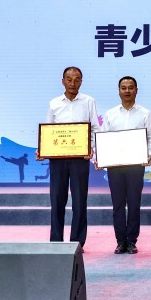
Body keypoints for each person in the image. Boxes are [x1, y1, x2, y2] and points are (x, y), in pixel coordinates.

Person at [43, 66, 100, 248]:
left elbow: (95, 129)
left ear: (81, 81)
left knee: (79, 201)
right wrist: (43, 149)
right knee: (57, 200)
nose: (73, 83)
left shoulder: (89, 101)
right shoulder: (54, 103)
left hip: (80, 159)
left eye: (77, 79)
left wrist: (92, 149)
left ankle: (77, 241)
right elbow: (48, 130)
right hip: (58, 159)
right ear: (63, 81)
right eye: (69, 79)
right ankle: (56, 241)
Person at [97, 76, 151, 255]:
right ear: (119, 91)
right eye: (124, 88)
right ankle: (120, 241)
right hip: (115, 166)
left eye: (131, 87)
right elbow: (104, 138)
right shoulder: (110, 114)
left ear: (136, 90)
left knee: (134, 203)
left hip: (136, 165)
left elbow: (150, 137)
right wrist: (101, 158)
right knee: (118, 204)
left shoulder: (145, 113)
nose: (127, 91)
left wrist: (148, 155)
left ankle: (131, 241)